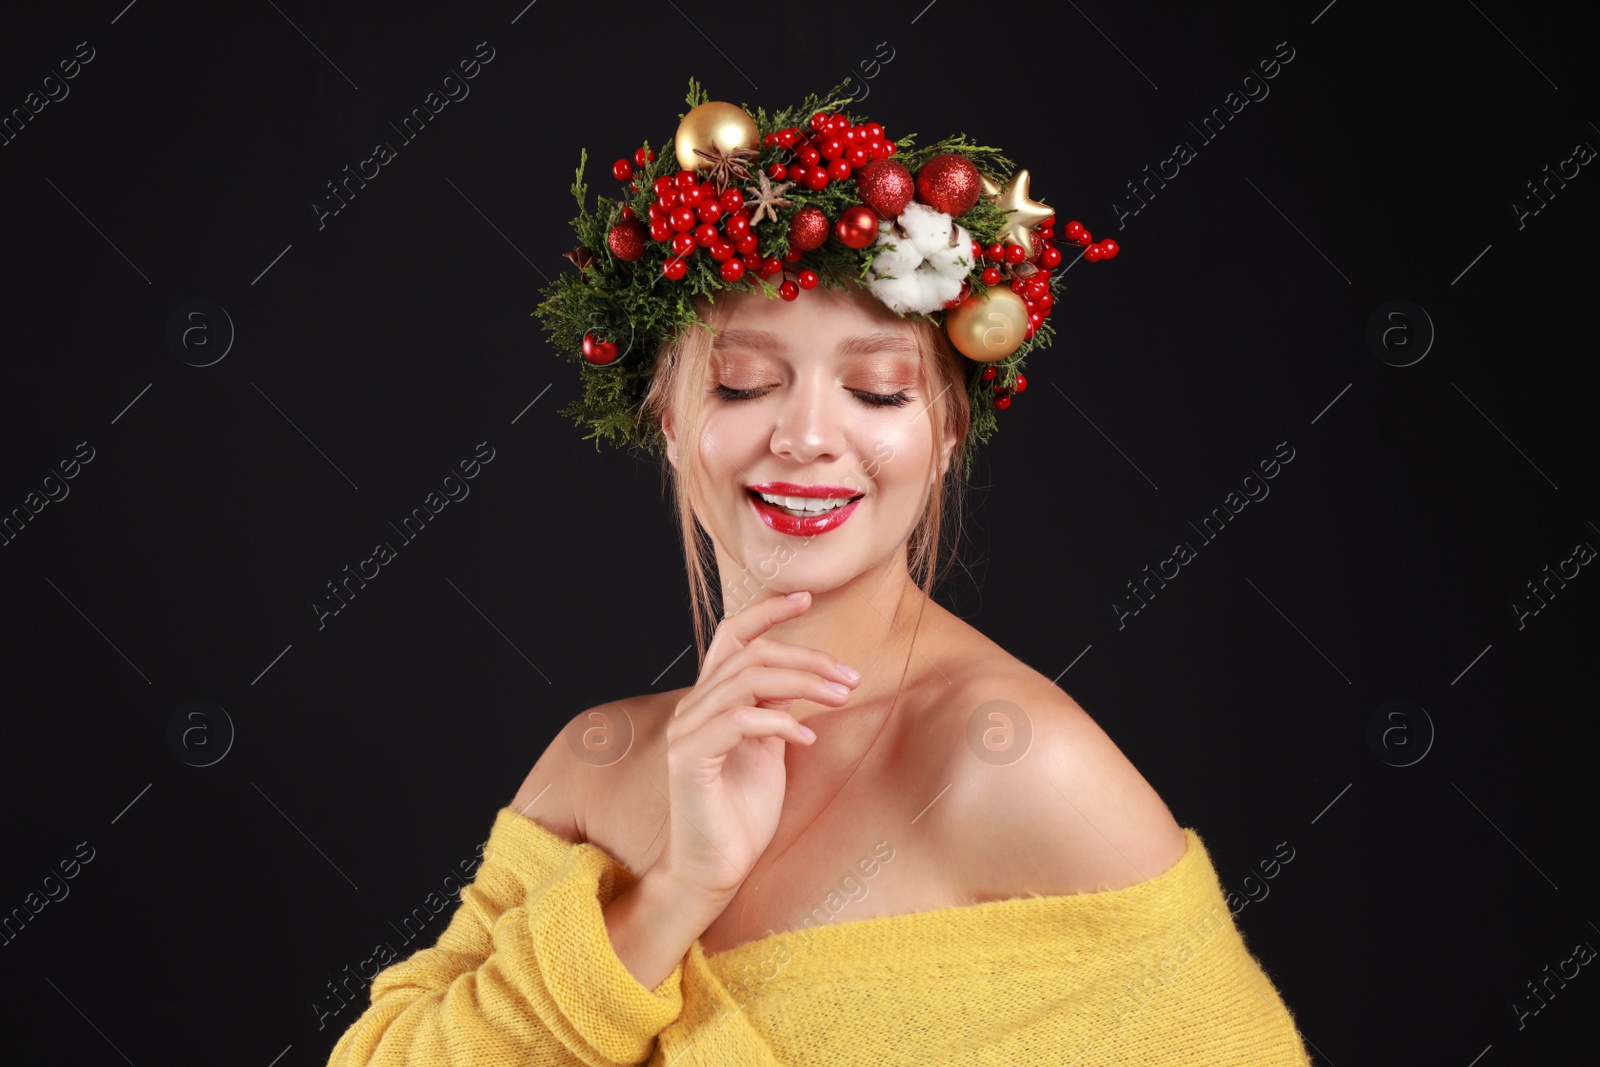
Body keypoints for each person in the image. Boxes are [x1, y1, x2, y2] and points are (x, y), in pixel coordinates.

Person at [323, 79, 1314, 1066]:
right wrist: (673, 892)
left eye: (876, 391)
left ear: (945, 432)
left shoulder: (1017, 767)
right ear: (667, 420)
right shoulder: (595, 762)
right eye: (744, 382)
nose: (805, 437)